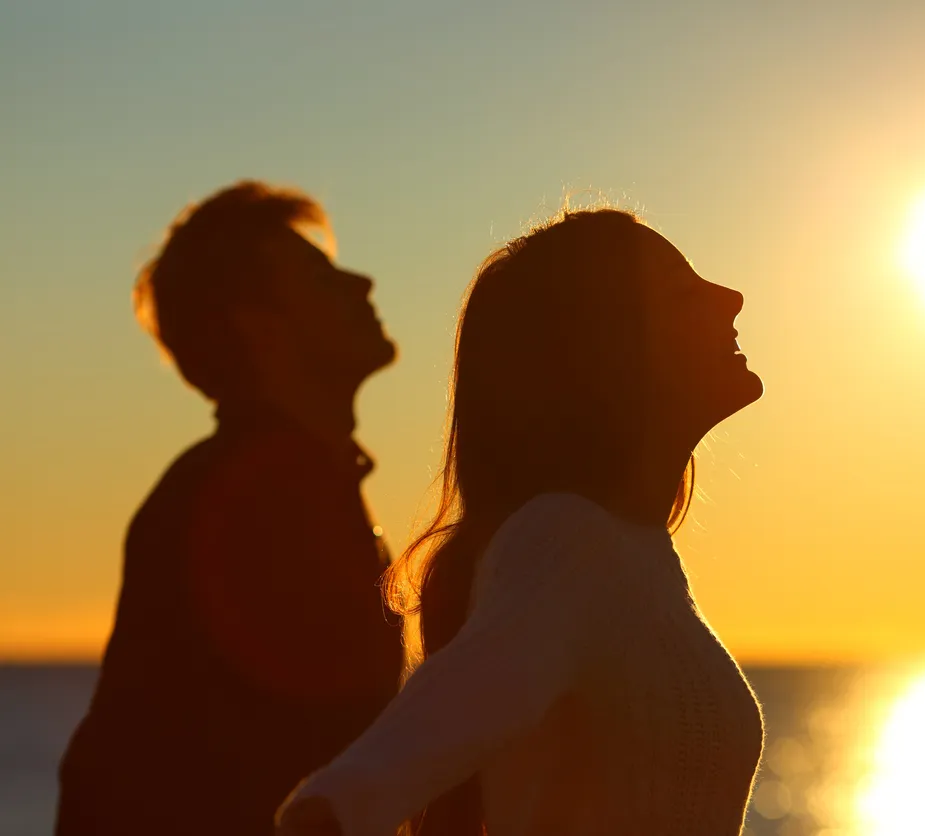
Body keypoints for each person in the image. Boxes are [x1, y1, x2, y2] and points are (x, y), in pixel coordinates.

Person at [276, 208, 765, 836]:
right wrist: (331, 813)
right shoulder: (568, 542)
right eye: (680, 294)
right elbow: (435, 726)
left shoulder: (632, 555)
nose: (730, 298)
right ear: (609, 350)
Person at [56, 181, 405, 836]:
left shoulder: (282, 481)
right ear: (261, 329)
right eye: (321, 279)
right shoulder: (253, 496)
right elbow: (319, 749)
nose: (361, 283)